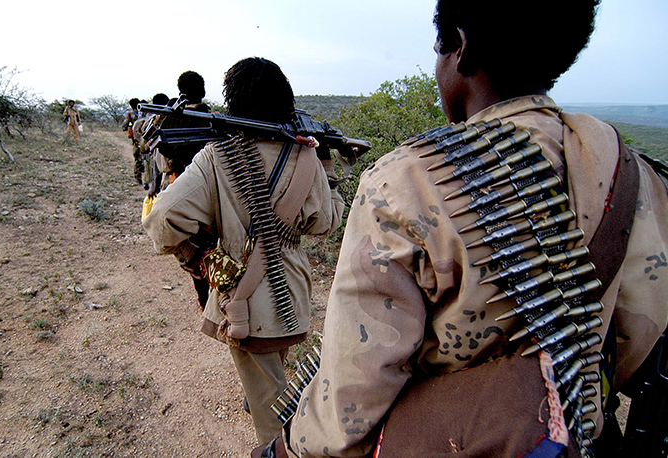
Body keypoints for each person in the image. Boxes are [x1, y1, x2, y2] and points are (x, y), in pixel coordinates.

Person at [259, 1, 668, 457]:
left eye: (439, 48)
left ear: (461, 48)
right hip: (579, 439)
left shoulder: (405, 183)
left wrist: (286, 448)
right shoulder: (627, 166)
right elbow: (643, 336)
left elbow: (351, 403)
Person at [143, 57, 345, 445]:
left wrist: (196, 254)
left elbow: (161, 220)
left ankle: (282, 446)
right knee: (273, 383)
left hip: (245, 303)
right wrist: (329, 168)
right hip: (292, 296)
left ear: (232, 103)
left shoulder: (216, 157)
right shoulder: (305, 155)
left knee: (274, 420)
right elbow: (327, 223)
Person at [123, 98, 145, 184]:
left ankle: (138, 177)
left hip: (136, 141)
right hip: (145, 140)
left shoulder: (130, 115)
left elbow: (124, 127)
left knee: (138, 159)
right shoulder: (144, 113)